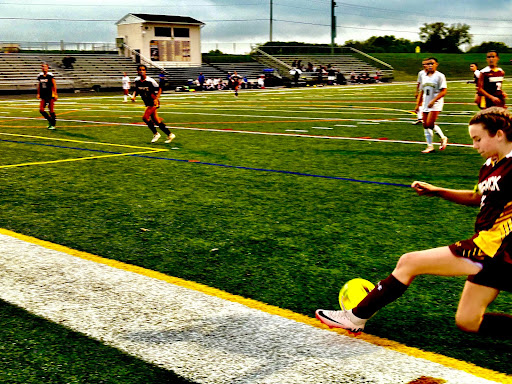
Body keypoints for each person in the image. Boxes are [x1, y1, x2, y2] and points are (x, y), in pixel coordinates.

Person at [317, 107, 512, 339]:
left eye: (478, 139)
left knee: (409, 262)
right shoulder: (490, 167)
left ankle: (355, 317)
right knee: (468, 321)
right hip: (493, 251)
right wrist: (438, 191)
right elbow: (476, 197)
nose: (474, 146)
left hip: (496, 249)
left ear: (499, 134)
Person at [131, 64, 175, 144]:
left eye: (143, 70)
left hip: (153, 102)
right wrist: (134, 96)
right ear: (137, 71)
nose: (141, 71)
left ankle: (156, 134)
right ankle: (170, 134)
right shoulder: (137, 80)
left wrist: (156, 99)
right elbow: (136, 89)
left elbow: (159, 89)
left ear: (146, 71)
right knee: (156, 121)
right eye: (140, 70)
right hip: (147, 102)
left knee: (145, 117)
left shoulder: (150, 81)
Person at [414, 57, 448, 153]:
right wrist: (418, 104)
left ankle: (443, 138)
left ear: (436, 64)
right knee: (425, 125)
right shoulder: (424, 76)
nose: (429, 65)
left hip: (435, 103)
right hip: (426, 102)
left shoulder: (440, 76)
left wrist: (434, 100)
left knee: (429, 123)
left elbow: (444, 91)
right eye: (428, 63)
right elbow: (422, 91)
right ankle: (430, 146)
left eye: (432, 63)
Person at [37, 63, 57, 130]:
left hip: (50, 94)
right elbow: (39, 85)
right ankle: (50, 120)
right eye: (43, 67)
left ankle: (53, 124)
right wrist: (38, 93)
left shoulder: (50, 75)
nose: (44, 68)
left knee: (51, 110)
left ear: (48, 68)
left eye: (45, 67)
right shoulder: (40, 76)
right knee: (41, 110)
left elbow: (54, 85)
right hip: (43, 95)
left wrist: (55, 93)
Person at [413, 59, 429, 125]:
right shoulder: (421, 73)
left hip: (429, 91)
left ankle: (427, 118)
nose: (424, 66)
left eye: (426, 64)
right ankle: (419, 118)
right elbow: (419, 82)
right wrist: (417, 91)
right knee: (419, 104)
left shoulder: (433, 73)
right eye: (423, 64)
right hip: (422, 90)